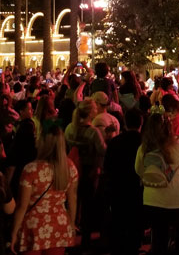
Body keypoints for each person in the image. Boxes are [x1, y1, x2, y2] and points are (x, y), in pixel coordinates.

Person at [135, 113, 179, 255]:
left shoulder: (143, 149)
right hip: (178, 202)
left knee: (159, 238)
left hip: (152, 202)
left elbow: (139, 171)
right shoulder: (178, 146)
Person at [11, 123, 78, 254]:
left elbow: (22, 206)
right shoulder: (69, 167)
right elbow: (72, 200)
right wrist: (71, 222)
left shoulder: (31, 169)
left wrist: (14, 232)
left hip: (34, 225)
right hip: (59, 224)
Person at [64, 99, 106, 248]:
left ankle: (68, 237)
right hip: (89, 170)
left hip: (71, 168)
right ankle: (86, 240)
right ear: (91, 112)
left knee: (71, 202)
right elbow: (102, 151)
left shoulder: (70, 128)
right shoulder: (93, 132)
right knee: (88, 205)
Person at [104, 109, 144, 255]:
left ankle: (118, 245)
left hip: (118, 186)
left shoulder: (115, 142)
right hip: (137, 186)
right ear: (141, 123)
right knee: (135, 219)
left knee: (119, 219)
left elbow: (107, 165)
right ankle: (134, 245)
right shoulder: (144, 142)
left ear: (125, 123)